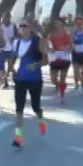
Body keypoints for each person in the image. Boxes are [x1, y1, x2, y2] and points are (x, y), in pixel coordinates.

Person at [11, 19, 49, 148]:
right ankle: (19, 137)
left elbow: (46, 60)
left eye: (25, 26)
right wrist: (10, 70)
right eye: (20, 26)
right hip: (21, 78)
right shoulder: (16, 43)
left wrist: (36, 64)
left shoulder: (38, 42)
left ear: (30, 28)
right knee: (19, 109)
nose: (23, 28)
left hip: (35, 79)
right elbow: (13, 58)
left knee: (35, 106)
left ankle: (41, 119)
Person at [47, 19, 72, 103]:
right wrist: (50, 48)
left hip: (64, 56)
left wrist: (67, 48)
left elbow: (70, 44)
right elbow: (48, 44)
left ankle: (62, 96)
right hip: (54, 56)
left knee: (63, 78)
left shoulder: (67, 34)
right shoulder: (51, 34)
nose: (58, 25)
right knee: (53, 78)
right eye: (56, 24)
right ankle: (58, 85)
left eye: (59, 23)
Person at [0, 13, 19, 90]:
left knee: (10, 67)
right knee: (2, 67)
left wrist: (13, 37)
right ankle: (5, 82)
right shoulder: (0, 25)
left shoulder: (13, 26)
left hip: (11, 48)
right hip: (2, 49)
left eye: (7, 18)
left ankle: (16, 78)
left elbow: (18, 35)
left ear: (9, 18)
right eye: (4, 18)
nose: (5, 19)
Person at [70, 16, 83, 90]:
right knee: (76, 69)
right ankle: (76, 83)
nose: (79, 23)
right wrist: (73, 47)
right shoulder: (73, 31)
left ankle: (82, 84)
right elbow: (71, 41)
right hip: (75, 51)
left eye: (80, 21)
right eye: (77, 22)